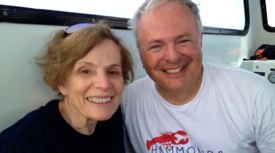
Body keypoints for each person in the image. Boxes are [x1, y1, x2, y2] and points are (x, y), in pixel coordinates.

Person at [121, 0, 275, 152]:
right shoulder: (127, 102)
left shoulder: (257, 94)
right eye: (156, 46)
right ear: (141, 56)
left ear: (200, 41)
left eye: (183, 41)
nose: (173, 56)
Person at [0, 23, 134, 153]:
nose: (104, 85)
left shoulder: (113, 117)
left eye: (112, 72)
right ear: (61, 82)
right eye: (85, 71)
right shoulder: (24, 143)